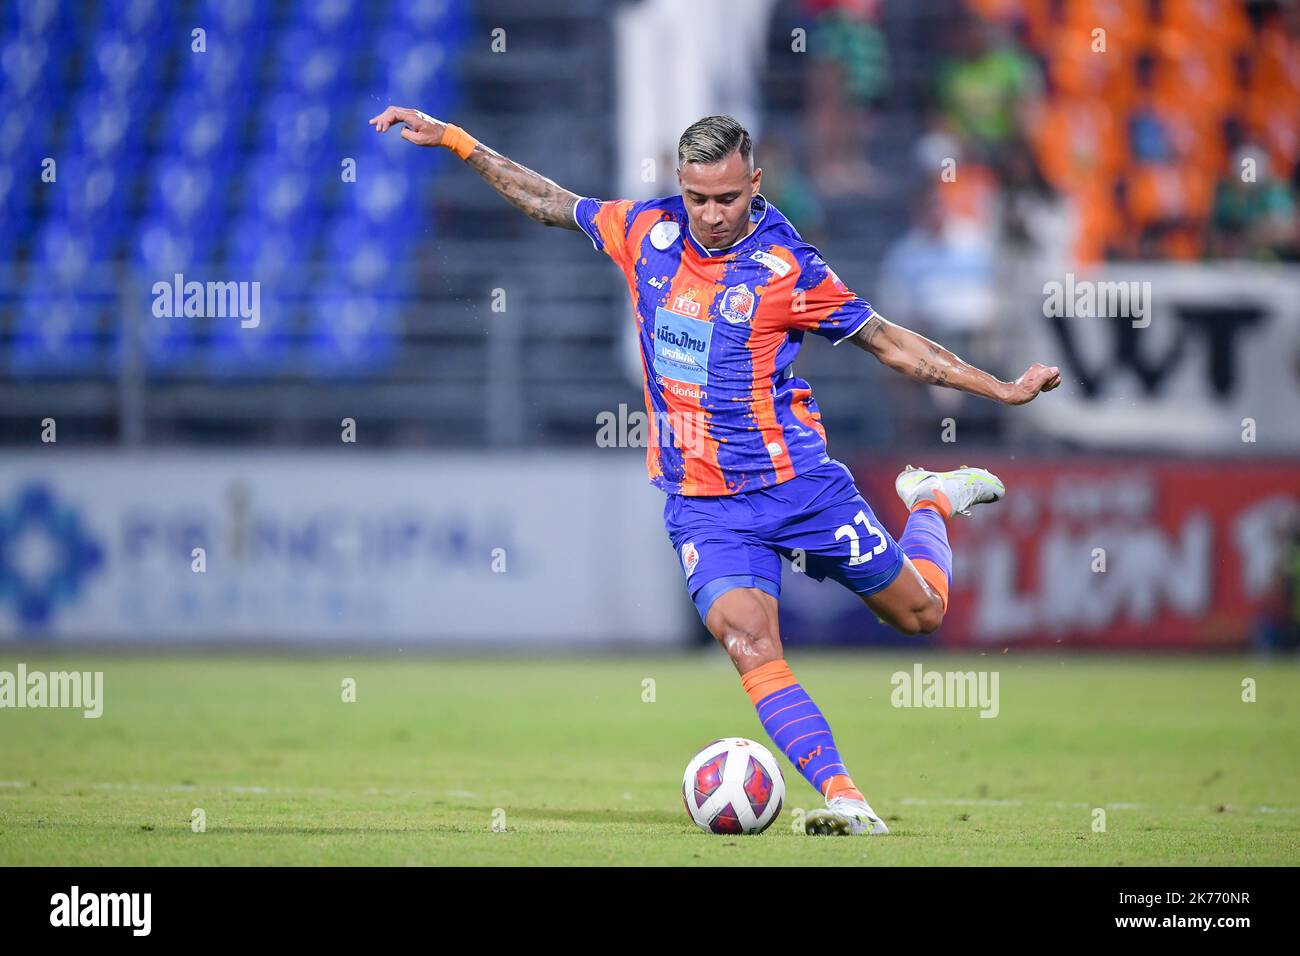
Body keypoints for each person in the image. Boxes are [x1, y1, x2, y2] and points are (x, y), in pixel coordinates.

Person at [369, 107, 1061, 835]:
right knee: (750, 643)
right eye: (697, 197)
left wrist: (1001, 388)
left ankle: (931, 501)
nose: (711, 214)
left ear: (755, 183)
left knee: (921, 615)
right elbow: (549, 200)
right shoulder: (646, 231)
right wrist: (456, 139)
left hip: (799, 486)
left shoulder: (788, 267)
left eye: (727, 198)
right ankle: (847, 797)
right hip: (705, 504)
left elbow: (892, 345)